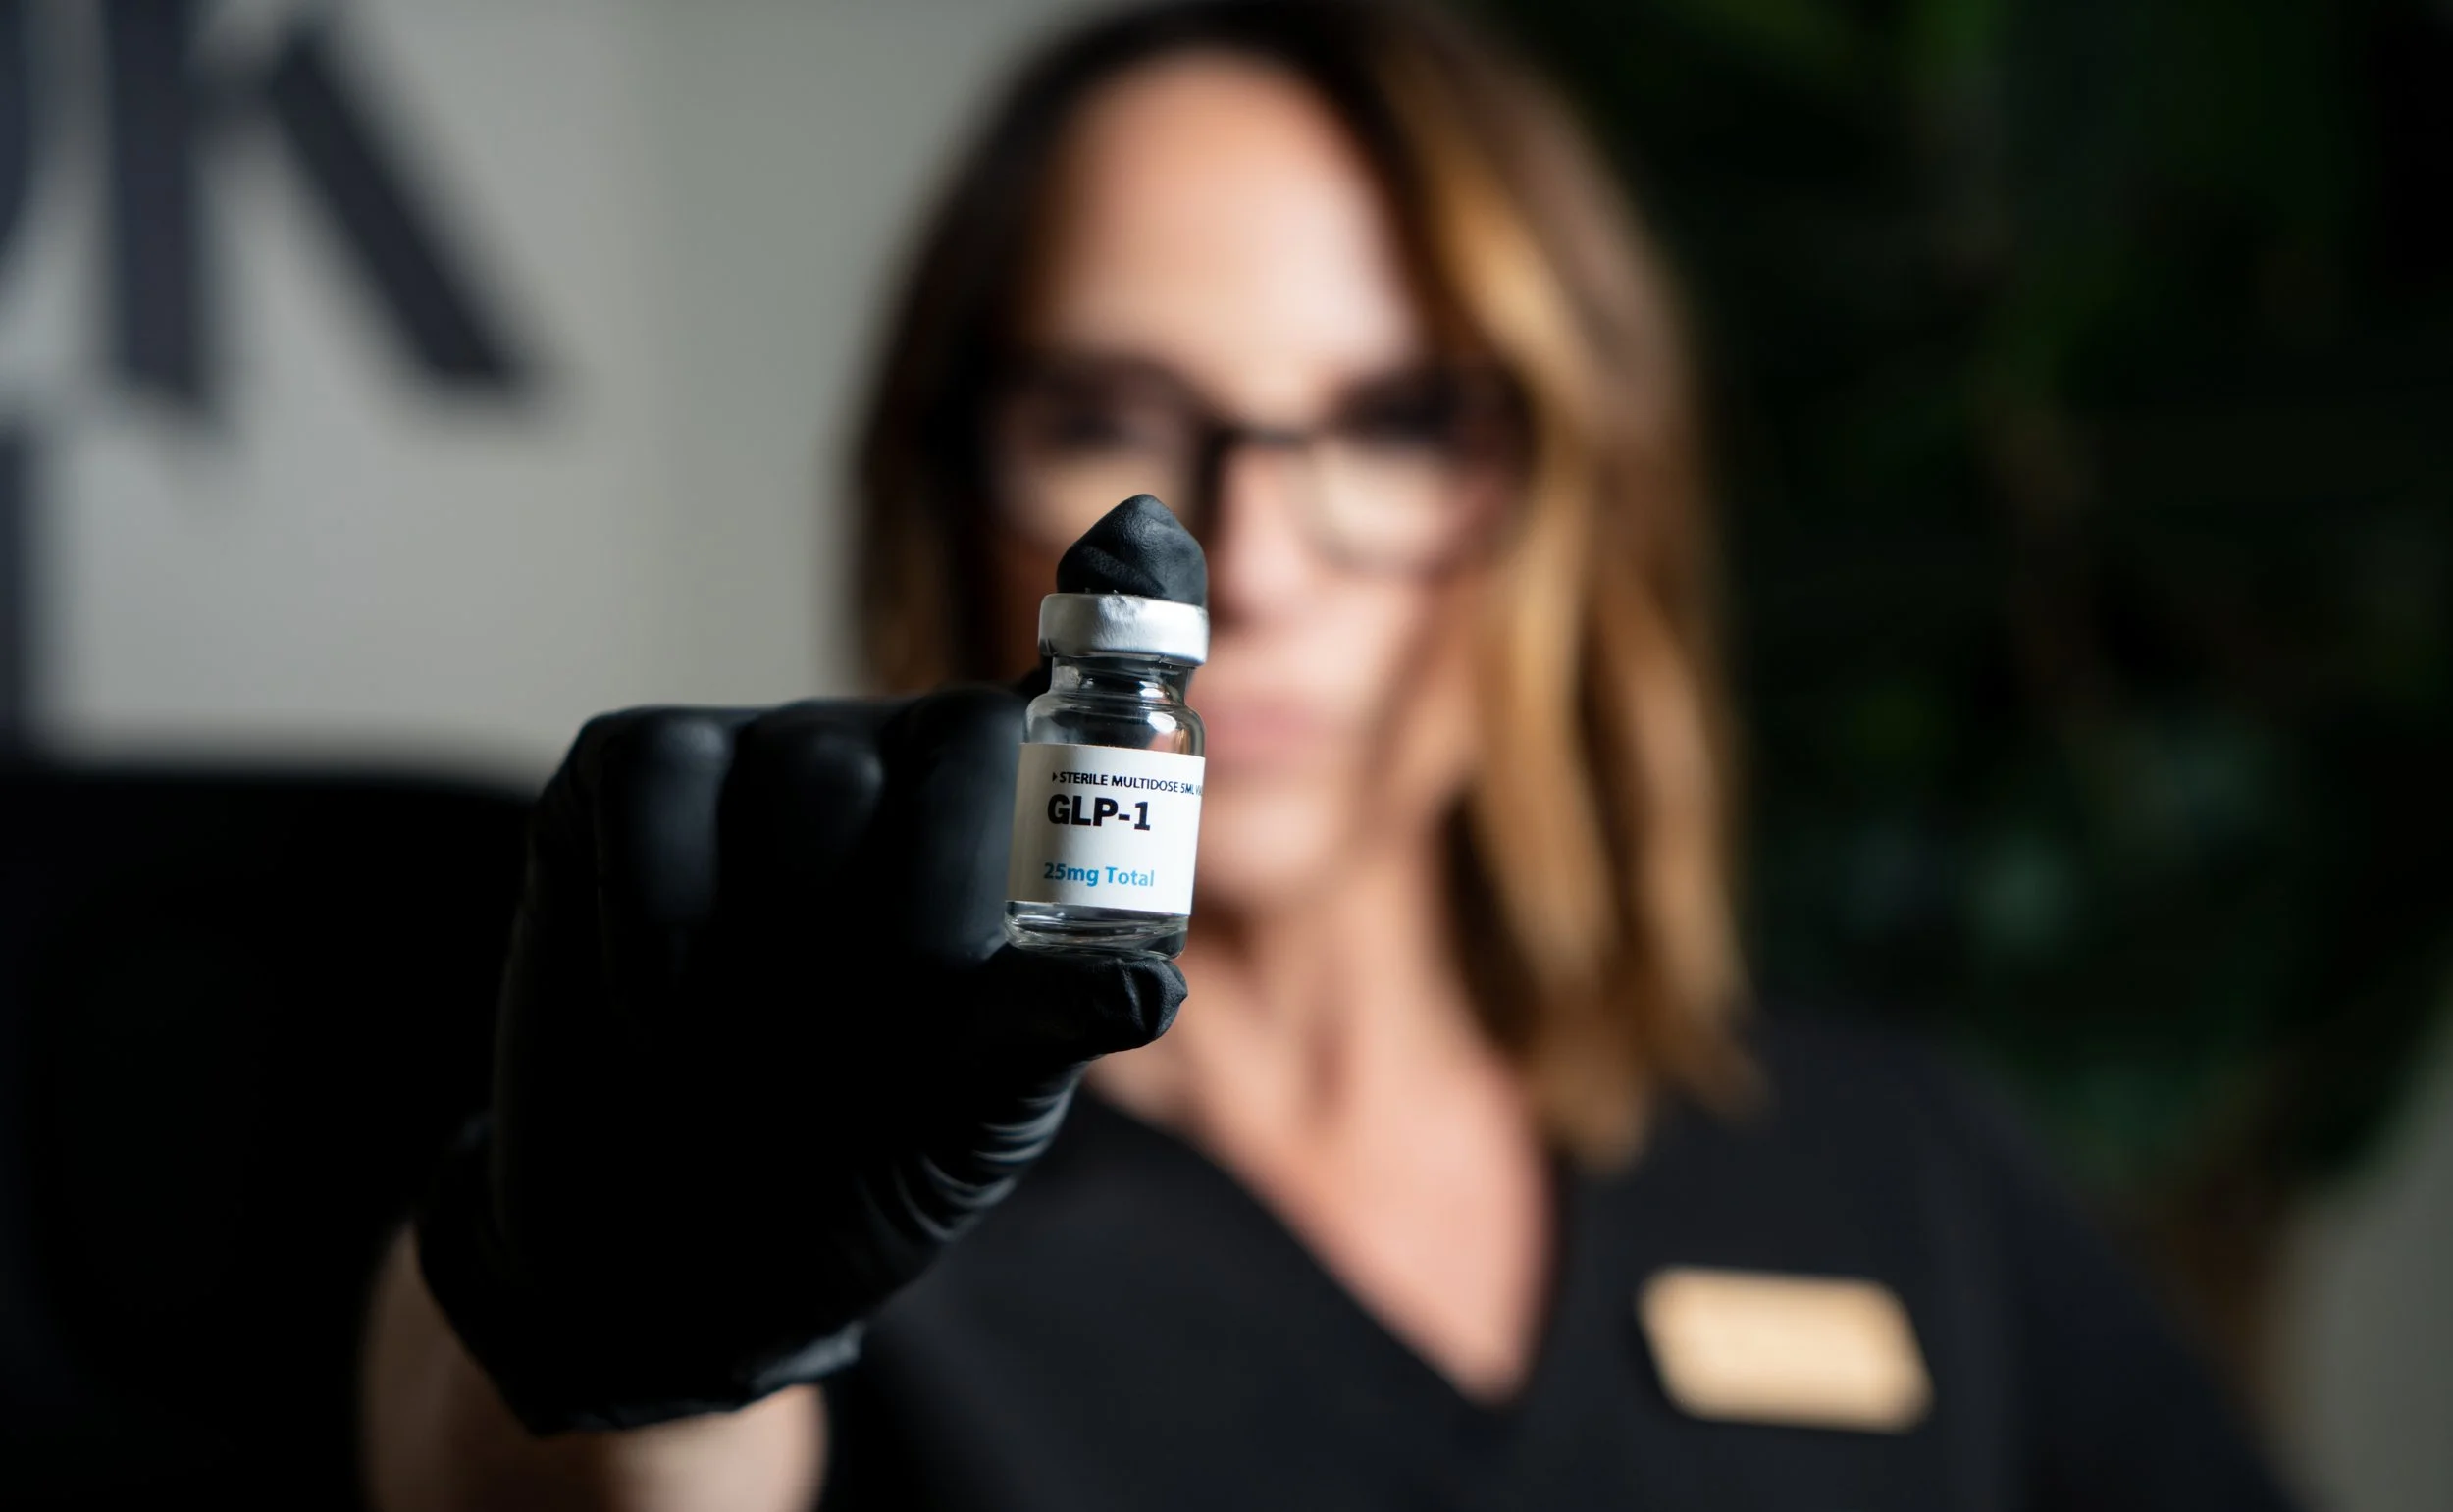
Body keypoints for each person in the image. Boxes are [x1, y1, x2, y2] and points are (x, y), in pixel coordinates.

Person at [360, 3, 2302, 1508]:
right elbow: (534, 1469)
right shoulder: (804, 1157)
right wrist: (639, 1343)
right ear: (942, 486)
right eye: (1110, 415)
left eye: (1391, 424)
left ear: (1567, 504)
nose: (1248, 562)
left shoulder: (1890, 1163)